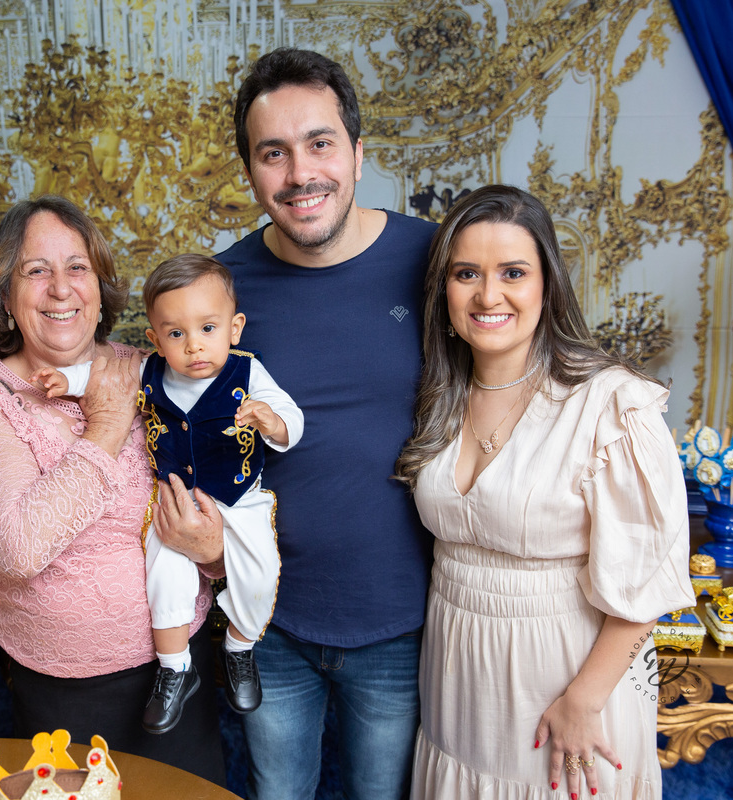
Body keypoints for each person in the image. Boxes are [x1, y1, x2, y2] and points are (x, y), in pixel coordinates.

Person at [153, 48, 438, 799]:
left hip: (402, 618)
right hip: (268, 622)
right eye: (273, 153)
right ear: (250, 171)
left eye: (320, 143)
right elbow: (148, 400)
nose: (300, 173)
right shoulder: (217, 294)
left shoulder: (435, 262)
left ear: (358, 152)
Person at [395, 185, 693, 799]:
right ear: (443, 290)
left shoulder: (611, 404)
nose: (488, 295)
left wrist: (584, 701)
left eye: (513, 273)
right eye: (467, 274)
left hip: (568, 678)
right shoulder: (438, 397)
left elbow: (648, 582)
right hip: (457, 676)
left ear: (548, 284)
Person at [0, 197, 226, 784]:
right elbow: (18, 547)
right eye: (36, 270)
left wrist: (217, 553)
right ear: (6, 297)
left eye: (77, 268)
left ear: (99, 289)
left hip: (181, 663)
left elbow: (223, 486)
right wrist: (107, 426)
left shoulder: (155, 368)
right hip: (63, 689)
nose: (61, 289)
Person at [35, 254, 304, 732]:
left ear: (234, 329)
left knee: (260, 571)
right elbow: (99, 375)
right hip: (174, 498)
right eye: (176, 334)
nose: (194, 345)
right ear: (155, 339)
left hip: (239, 497)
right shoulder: (148, 370)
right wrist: (67, 381)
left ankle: (239, 648)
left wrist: (271, 420)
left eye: (208, 328)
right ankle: (175, 668)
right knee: (164, 574)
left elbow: (292, 419)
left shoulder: (247, 374)